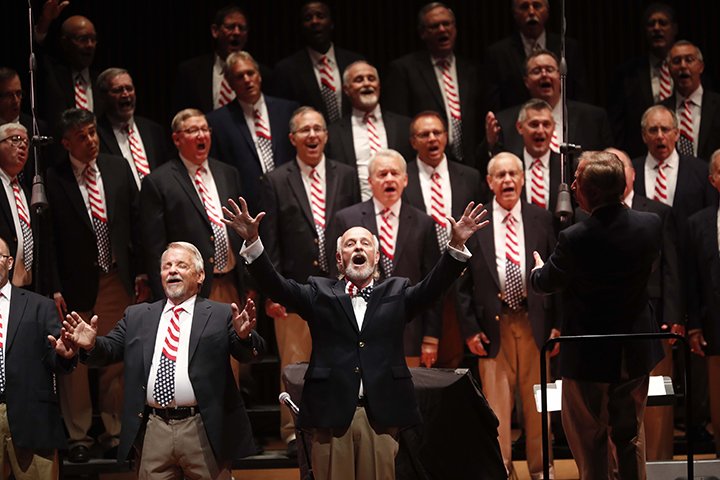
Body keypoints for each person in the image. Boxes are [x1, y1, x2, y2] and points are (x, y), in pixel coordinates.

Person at [223, 191, 487, 480]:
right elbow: (276, 285)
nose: (357, 247)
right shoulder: (318, 293)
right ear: (339, 259)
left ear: (376, 257)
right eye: (350, 244)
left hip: (381, 416)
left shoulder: (396, 292)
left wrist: (456, 245)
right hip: (331, 416)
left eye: (365, 243)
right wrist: (252, 241)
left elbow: (435, 286)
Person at [53, 241, 266, 478]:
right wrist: (91, 344)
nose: (172, 270)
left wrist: (245, 337)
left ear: (200, 275)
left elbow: (249, 354)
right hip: (154, 430)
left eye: (181, 265)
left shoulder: (220, 313)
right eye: (167, 266)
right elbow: (109, 350)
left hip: (203, 428)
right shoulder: (138, 315)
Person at [531, 150, 664, 480]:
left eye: (577, 181)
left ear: (588, 193)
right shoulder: (650, 224)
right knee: (629, 436)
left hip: (589, 354)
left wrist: (536, 269)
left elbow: (545, 283)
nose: (572, 186)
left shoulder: (575, 237)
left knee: (590, 440)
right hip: (634, 349)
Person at [258, 105, 360, 457]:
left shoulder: (346, 175)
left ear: (326, 135)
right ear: (292, 138)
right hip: (294, 289)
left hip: (340, 287)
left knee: (339, 357)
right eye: (305, 130)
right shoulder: (275, 179)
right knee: (294, 360)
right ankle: (292, 431)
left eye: (318, 128)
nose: (313, 135)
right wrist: (273, 292)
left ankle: (336, 418)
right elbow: (269, 240)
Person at [45, 108, 145, 462]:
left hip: (115, 276)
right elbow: (49, 239)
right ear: (66, 142)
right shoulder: (53, 178)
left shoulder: (117, 168)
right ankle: (79, 436)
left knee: (116, 356)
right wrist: (54, 287)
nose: (91, 141)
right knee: (73, 356)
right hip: (74, 283)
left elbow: (136, 222)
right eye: (82, 136)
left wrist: (142, 273)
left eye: (92, 132)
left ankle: (116, 430)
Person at [576, 147, 683, 460]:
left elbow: (670, 267)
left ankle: (660, 463)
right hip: (605, 331)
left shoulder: (656, 214)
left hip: (649, 322)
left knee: (651, 408)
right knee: (616, 424)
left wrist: (673, 313)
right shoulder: (582, 222)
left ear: (630, 175)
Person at [457, 152, 557, 479]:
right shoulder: (476, 222)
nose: (507, 181)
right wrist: (470, 330)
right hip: (492, 326)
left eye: (513, 174)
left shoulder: (543, 218)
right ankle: (502, 472)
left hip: (535, 323)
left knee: (537, 403)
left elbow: (559, 276)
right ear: (489, 182)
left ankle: (542, 470)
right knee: (496, 408)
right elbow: (462, 284)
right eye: (500, 175)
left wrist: (558, 325)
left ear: (523, 178)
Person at [327, 150, 441, 368]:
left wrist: (430, 338)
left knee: (405, 398)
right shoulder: (346, 218)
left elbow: (431, 283)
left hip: (408, 333)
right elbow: (336, 278)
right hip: (359, 333)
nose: (389, 179)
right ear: (370, 181)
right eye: (382, 174)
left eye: (394, 173)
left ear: (405, 179)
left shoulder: (424, 222)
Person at [140, 108, 245, 304]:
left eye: (205, 129)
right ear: (177, 139)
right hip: (190, 291)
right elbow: (154, 249)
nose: (201, 135)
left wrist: (249, 285)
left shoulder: (228, 173)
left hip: (232, 284)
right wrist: (165, 299)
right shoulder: (158, 182)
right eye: (192, 130)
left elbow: (241, 232)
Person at [403, 111, 482, 368]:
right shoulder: (402, 176)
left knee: (452, 367)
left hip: (459, 285)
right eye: (424, 134)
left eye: (437, 132)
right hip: (418, 283)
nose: (432, 138)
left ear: (446, 136)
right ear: (413, 141)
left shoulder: (469, 177)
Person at [0, 236, 73, 479]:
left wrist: (65, 355)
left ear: (10, 262)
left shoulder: (38, 306)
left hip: (31, 417)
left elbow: (56, 358)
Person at [383, 2, 483, 168]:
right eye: (435, 26)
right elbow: (399, 124)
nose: (442, 30)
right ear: (423, 33)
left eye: (447, 24)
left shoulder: (472, 70)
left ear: (455, 29)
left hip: (470, 166)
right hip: (426, 164)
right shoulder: (404, 70)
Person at [484, 50, 613, 171]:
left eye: (549, 69)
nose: (544, 74)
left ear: (560, 76)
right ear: (526, 81)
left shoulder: (593, 119)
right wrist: (491, 145)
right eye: (536, 71)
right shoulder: (505, 122)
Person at [207, 51, 297, 214]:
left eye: (250, 73)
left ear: (259, 75)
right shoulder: (218, 122)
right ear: (229, 83)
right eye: (239, 77)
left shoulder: (287, 110)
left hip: (291, 200)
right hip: (248, 207)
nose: (247, 80)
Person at [326, 60, 413, 200]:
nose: (366, 84)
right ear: (347, 89)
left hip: (402, 209)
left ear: (378, 85)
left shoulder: (404, 126)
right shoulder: (333, 133)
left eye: (371, 79)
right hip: (355, 210)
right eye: (359, 80)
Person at [269, 1, 364, 124]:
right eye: (308, 18)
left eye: (320, 16)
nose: (315, 22)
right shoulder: (286, 70)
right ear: (301, 27)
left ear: (331, 23)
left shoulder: (355, 63)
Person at [484, 0, 587, 112]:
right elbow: (494, 105)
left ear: (547, 12)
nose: (531, 12)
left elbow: (580, 95)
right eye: (524, 7)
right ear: (515, 14)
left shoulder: (568, 48)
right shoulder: (498, 54)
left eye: (537, 6)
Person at [607, 3, 679, 158]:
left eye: (663, 23)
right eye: (651, 24)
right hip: (639, 159)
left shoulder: (689, 73)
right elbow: (618, 126)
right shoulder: (627, 74)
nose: (657, 28)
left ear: (674, 28)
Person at [173, 5, 270, 113]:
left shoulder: (262, 73)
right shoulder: (190, 71)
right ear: (215, 31)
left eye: (242, 28)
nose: (237, 32)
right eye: (230, 27)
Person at [687, 148, 720, 457]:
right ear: (713, 180)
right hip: (715, 329)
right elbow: (693, 280)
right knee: (719, 405)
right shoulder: (699, 223)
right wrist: (694, 326)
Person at [95, 68, 169, 189]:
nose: (125, 94)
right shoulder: (96, 134)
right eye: (117, 90)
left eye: (129, 88)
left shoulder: (153, 130)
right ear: (103, 97)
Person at [661, 40, 720, 162]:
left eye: (689, 60)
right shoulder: (661, 110)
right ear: (668, 69)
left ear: (701, 66)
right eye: (676, 61)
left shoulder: (718, 105)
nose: (683, 66)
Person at [0, 123, 36, 291]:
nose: (22, 145)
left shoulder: (26, 191)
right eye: (15, 140)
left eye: (26, 142)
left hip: (28, 288)